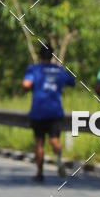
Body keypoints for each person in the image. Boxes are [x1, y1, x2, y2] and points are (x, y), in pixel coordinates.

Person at [22, 44, 75, 182]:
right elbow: (72, 81)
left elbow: (26, 84)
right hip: (55, 111)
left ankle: (40, 173)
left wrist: (29, 88)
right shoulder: (58, 70)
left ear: (39, 56)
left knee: (39, 142)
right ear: (52, 56)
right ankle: (58, 158)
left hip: (38, 112)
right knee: (54, 139)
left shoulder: (34, 69)